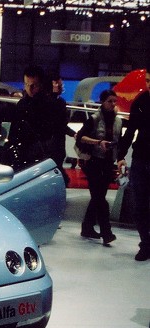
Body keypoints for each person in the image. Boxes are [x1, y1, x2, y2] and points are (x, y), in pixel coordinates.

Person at [75, 90, 122, 246]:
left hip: (108, 162)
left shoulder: (118, 121)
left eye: (115, 101)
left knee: (98, 197)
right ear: (102, 102)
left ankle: (87, 227)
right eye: (110, 101)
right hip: (93, 162)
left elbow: (119, 141)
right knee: (100, 199)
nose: (113, 104)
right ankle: (106, 232)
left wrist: (120, 158)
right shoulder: (94, 119)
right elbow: (80, 136)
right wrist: (97, 142)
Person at [118, 68, 150, 261]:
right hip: (140, 158)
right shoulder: (140, 102)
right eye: (147, 80)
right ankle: (145, 243)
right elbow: (130, 131)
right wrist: (121, 155)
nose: (149, 84)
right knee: (139, 205)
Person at [7, 65, 55, 167]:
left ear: (41, 84)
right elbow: (14, 127)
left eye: (34, 85)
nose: (29, 88)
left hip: (40, 152)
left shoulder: (49, 104)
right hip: (22, 150)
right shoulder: (22, 103)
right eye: (26, 84)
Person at [49, 73, 75, 184]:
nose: (61, 87)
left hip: (58, 142)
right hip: (52, 142)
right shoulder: (54, 102)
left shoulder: (60, 102)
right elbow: (59, 123)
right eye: (59, 85)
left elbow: (61, 124)